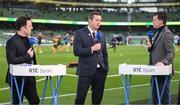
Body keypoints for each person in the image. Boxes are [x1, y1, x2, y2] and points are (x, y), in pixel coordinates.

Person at [73, 11, 109, 104]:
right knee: (80, 99)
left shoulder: (102, 34)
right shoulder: (79, 33)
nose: (99, 22)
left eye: (100, 20)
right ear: (89, 20)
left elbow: (105, 53)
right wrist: (91, 49)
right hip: (85, 72)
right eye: (96, 20)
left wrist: (106, 68)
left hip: (100, 72)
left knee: (97, 100)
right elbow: (76, 51)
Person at [5, 16, 40, 104]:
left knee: (35, 101)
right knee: (17, 102)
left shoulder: (30, 40)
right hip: (17, 78)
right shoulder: (12, 41)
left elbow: (32, 58)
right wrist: (27, 56)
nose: (32, 27)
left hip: (30, 77)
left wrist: (35, 68)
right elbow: (11, 60)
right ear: (22, 27)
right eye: (30, 25)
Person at [146, 12, 175, 104]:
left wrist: (163, 62)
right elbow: (158, 50)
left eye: (154, 20)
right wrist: (151, 47)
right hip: (155, 71)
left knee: (163, 100)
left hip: (163, 73)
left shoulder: (166, 33)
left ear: (161, 21)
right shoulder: (159, 32)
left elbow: (171, 53)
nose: (152, 22)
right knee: (156, 100)